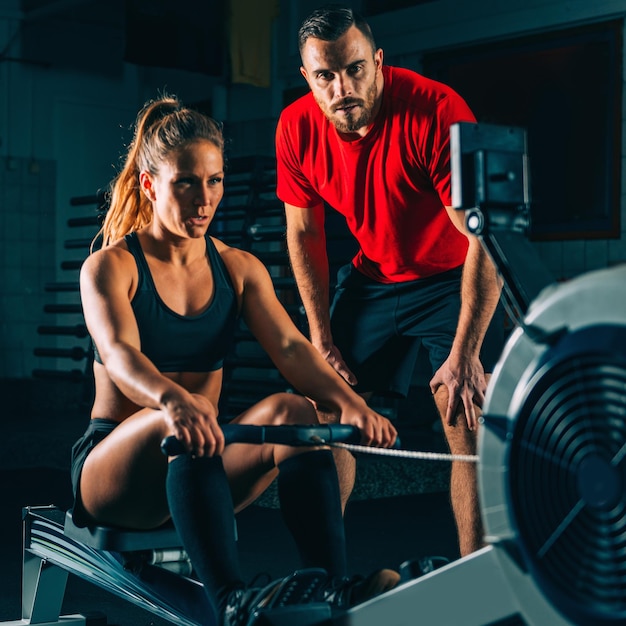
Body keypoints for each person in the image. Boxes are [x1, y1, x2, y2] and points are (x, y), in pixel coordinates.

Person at [70, 94, 400, 626]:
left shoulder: (238, 268)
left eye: (214, 181)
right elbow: (119, 352)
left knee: (295, 410)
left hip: (199, 456)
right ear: (151, 185)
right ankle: (228, 602)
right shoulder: (110, 267)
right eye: (185, 182)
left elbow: (293, 348)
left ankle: (331, 588)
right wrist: (174, 401)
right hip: (116, 472)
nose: (204, 199)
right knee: (175, 418)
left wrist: (351, 405)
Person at [275, 4, 503, 557]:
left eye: (355, 69)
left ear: (378, 62)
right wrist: (321, 337)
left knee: (465, 414)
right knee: (325, 409)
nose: (342, 88)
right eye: (325, 76)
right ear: (308, 78)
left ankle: (476, 578)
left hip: (454, 276)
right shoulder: (297, 127)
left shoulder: (436, 111)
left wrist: (467, 352)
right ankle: (324, 580)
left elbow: (485, 239)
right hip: (375, 277)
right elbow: (304, 236)